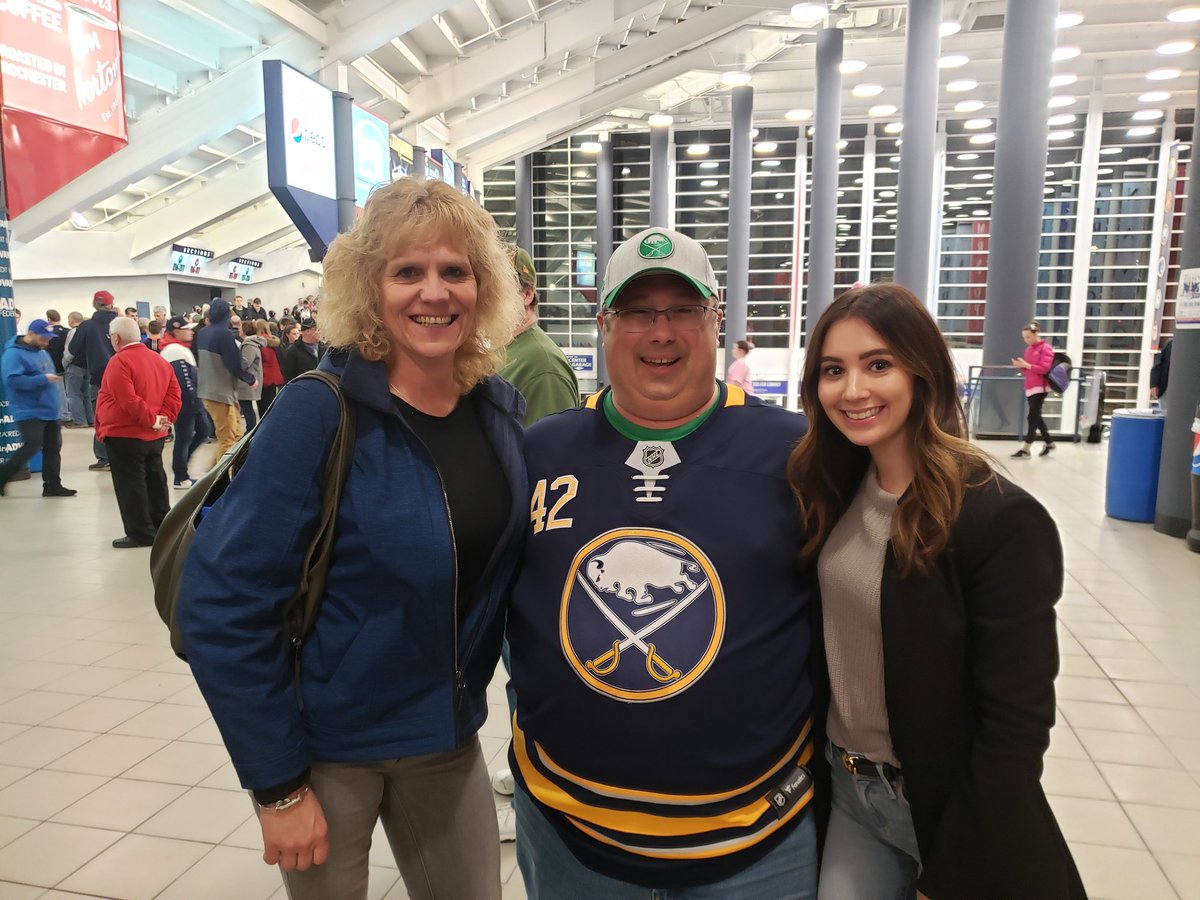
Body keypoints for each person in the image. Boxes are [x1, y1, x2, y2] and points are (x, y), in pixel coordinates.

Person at [178, 177, 527, 900]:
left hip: (447, 738)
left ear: (482, 284)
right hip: (328, 753)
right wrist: (277, 788)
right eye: (408, 271)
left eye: (454, 270)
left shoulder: (496, 409)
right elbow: (221, 604)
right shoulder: (320, 413)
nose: (435, 291)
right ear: (371, 287)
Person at [506, 227, 818, 898]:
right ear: (603, 324)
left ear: (717, 316)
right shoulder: (538, 453)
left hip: (757, 845)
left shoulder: (798, 456)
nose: (661, 332)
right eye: (638, 312)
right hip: (569, 839)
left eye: (682, 310)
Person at [786, 284, 1084, 899]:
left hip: (951, 808)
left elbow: (1016, 726)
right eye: (833, 370)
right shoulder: (835, 489)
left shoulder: (995, 519)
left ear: (923, 372)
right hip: (851, 796)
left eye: (878, 364)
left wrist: (952, 875)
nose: (853, 390)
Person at [490, 244, 580, 834]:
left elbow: (551, 486)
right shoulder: (502, 354)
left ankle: (533, 801)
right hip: (501, 557)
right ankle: (522, 770)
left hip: (527, 561)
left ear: (524, 295)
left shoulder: (538, 364)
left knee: (533, 676)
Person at [95, 317, 181, 548]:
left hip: (125, 433)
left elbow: (127, 400)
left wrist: (152, 420)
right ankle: (162, 525)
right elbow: (174, 394)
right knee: (155, 480)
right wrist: (164, 419)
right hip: (154, 436)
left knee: (131, 484)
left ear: (115, 338)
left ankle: (140, 533)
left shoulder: (119, 362)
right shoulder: (159, 360)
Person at [499, 245, 580, 426]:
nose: (487, 296)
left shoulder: (543, 367)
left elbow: (554, 451)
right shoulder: (506, 351)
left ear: (527, 294)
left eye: (499, 288)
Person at [0, 319, 77, 498]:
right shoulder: (13, 355)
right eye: (44, 338)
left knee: (53, 447)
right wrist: (42, 379)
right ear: (31, 334)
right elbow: (13, 381)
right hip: (28, 410)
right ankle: (2, 476)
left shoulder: (42, 352)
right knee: (31, 445)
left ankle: (52, 485)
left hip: (49, 411)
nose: (47, 342)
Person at [196, 298, 256, 461]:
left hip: (210, 391)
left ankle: (214, 471)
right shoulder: (224, 334)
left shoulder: (203, 332)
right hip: (221, 394)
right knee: (228, 440)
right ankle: (219, 481)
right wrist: (250, 378)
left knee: (235, 433)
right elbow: (234, 364)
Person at [68, 290, 120, 470]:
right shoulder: (121, 323)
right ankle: (124, 454)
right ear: (112, 304)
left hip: (98, 378)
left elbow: (74, 349)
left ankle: (104, 456)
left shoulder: (86, 326)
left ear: (94, 305)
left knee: (101, 416)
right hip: (123, 377)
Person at [160, 316, 207, 488]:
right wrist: (195, 403)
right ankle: (180, 475)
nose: (191, 331)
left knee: (203, 431)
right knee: (184, 438)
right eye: (187, 329)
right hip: (185, 404)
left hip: (190, 403)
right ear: (177, 330)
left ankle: (181, 469)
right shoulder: (174, 351)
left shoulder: (179, 349)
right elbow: (184, 382)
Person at [1010, 321, 1055, 459]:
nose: (1026, 340)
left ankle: (1026, 448)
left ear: (1036, 334)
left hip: (1040, 387)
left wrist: (1026, 365)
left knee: (1032, 416)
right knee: (1036, 417)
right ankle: (1049, 442)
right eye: (1024, 337)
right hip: (1030, 386)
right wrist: (1021, 366)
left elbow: (1044, 369)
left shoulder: (1046, 348)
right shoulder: (1028, 350)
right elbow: (1029, 370)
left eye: (1028, 337)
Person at [62, 311, 92, 427]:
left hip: (75, 366)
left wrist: (65, 364)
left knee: (74, 394)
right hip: (88, 366)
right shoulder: (90, 332)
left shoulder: (73, 332)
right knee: (87, 394)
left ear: (71, 320)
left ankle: (80, 421)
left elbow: (69, 351)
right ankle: (91, 419)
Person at [237, 319, 265, 431]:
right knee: (246, 406)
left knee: (247, 407)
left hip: (248, 381)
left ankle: (250, 430)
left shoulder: (249, 345)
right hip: (249, 380)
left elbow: (245, 363)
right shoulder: (252, 343)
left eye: (240, 328)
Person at [44, 309, 71, 421]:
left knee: (60, 393)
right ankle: (71, 414)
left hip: (54, 366)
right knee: (70, 393)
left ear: (49, 319)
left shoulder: (48, 333)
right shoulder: (68, 331)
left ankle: (63, 415)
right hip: (68, 365)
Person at [254, 319, 285, 414]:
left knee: (263, 405)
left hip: (264, 376)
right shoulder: (273, 341)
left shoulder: (260, 342)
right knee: (270, 402)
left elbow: (264, 358)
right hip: (273, 375)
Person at [281, 316, 325, 382]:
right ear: (307, 331)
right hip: (302, 388)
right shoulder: (292, 351)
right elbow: (288, 375)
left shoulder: (324, 348)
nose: (320, 332)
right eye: (317, 330)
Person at [1150, 337, 1173, 411]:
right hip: (1167, 387)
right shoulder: (1171, 344)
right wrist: (1154, 384)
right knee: (1164, 413)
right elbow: (1158, 364)